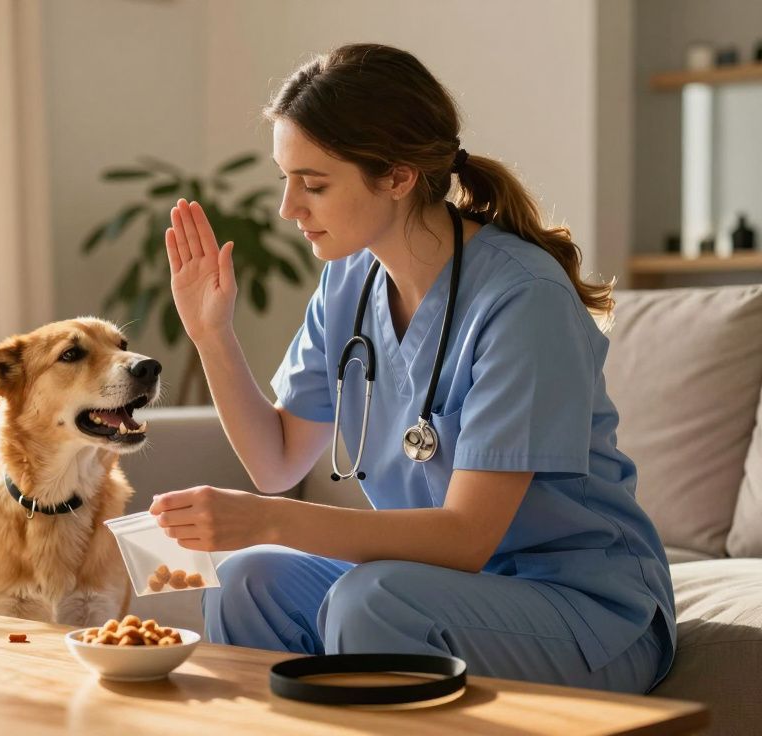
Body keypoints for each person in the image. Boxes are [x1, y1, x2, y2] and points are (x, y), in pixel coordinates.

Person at [151, 43, 675, 694]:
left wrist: (267, 519)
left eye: (313, 184)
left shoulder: (522, 299)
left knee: (373, 601)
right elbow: (277, 460)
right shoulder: (348, 281)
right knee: (247, 580)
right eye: (285, 179)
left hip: (583, 611)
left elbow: (465, 539)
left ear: (398, 177)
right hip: (434, 590)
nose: (289, 208)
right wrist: (211, 332)